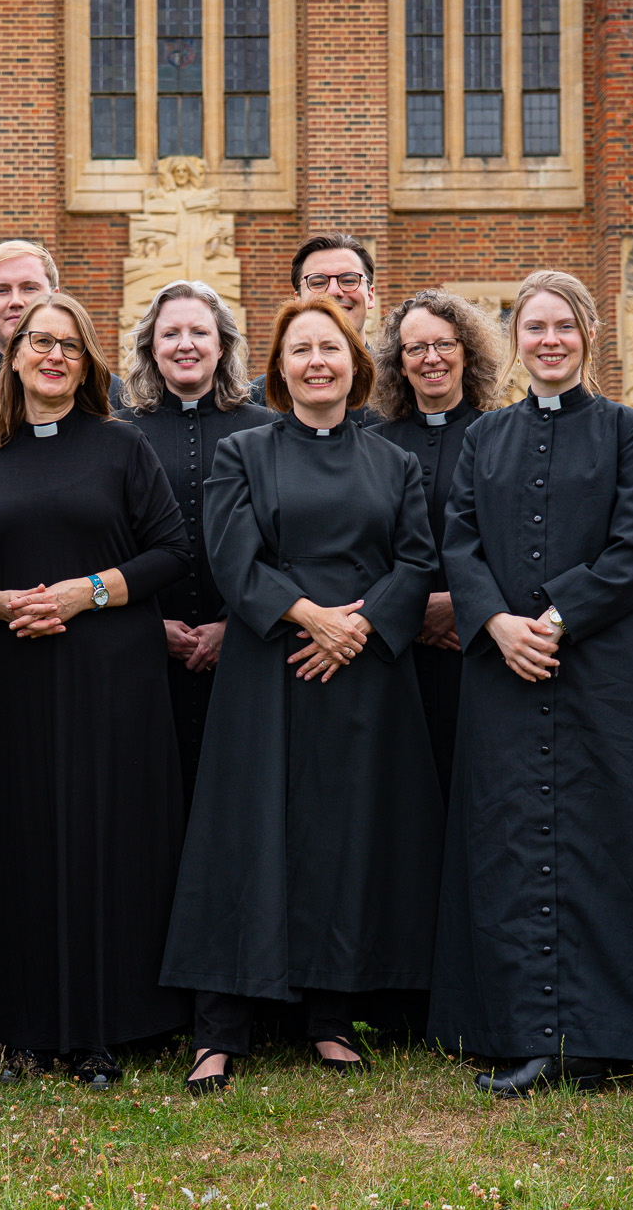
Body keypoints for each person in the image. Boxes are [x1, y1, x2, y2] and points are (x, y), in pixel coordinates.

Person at [430, 269, 633, 1097]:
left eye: (562, 327)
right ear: (516, 338)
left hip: (607, 671)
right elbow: (458, 545)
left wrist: (556, 619)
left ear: (588, 337)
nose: (548, 341)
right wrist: (498, 624)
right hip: (504, 668)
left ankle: (617, 1031)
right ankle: (524, 1031)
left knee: (615, 842)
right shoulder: (482, 439)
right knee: (511, 842)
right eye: (533, 327)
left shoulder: (626, 433)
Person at [161, 295, 442, 1094]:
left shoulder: (396, 461)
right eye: (300, 350)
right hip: (270, 670)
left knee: (344, 838)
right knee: (244, 836)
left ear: (355, 364)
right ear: (278, 368)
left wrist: (360, 629)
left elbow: (417, 562)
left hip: (365, 678)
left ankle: (328, 1014)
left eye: (331, 348)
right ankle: (219, 1028)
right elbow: (231, 555)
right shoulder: (244, 452)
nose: (316, 361)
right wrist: (311, 616)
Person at [0, 293, 191, 1085]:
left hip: (110, 678)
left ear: (89, 365)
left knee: (103, 842)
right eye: (38, 342)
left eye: (71, 347)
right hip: (9, 682)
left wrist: (86, 591)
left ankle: (102, 1026)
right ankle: (22, 1028)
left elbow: (170, 550)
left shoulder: (122, 448)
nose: (53, 356)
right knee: (15, 843)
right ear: (11, 358)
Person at [114, 279, 275, 804]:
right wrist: (146, 626)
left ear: (223, 345)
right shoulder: (117, 431)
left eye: (199, 332)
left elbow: (283, 541)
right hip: (143, 657)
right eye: (170, 334)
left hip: (248, 653)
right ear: (150, 349)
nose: (185, 344)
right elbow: (108, 546)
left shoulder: (268, 430)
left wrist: (236, 624)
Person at [369, 289, 506, 799]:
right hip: (392, 651)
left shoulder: (499, 436)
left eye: (444, 344)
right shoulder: (376, 444)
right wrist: (408, 611)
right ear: (398, 365)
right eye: (414, 349)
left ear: (466, 352)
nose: (431, 359)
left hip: (476, 648)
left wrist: (463, 606)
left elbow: (515, 541)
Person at [248, 233, 381, 424]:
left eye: (350, 280)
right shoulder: (256, 402)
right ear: (298, 299)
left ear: (370, 295)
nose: (334, 291)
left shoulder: (402, 392)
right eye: (318, 282)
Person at [0, 239, 124, 402]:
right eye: (2, 290)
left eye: (29, 288)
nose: (16, 301)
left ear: (55, 296)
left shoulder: (107, 393)